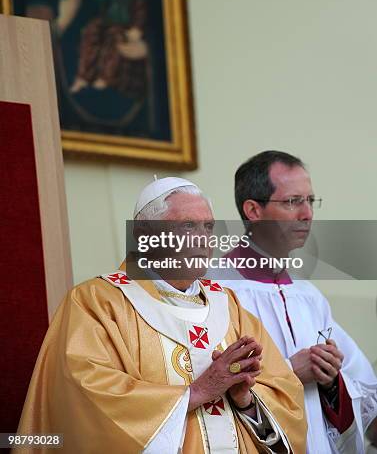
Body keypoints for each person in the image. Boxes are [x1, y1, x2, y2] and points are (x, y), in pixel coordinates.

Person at [16, 177, 307, 453]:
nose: (203, 240)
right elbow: (85, 404)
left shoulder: (229, 305)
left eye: (208, 227)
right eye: (188, 226)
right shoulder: (97, 303)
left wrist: (246, 401)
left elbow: (285, 394)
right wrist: (196, 393)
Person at [221, 150, 377, 454]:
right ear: (253, 210)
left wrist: (331, 378)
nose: (307, 214)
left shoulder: (307, 296)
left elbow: (364, 389)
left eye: (310, 200)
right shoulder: (218, 293)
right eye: (293, 201)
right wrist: (287, 372)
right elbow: (207, 392)